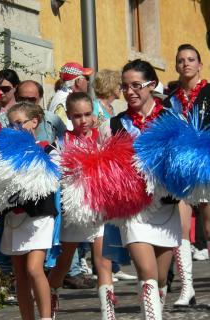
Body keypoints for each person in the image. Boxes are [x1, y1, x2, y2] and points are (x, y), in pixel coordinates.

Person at [111, 59, 182, 318]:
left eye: (136, 85)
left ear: (151, 85)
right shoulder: (117, 123)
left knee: (162, 278)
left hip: (166, 207)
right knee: (147, 273)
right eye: (125, 86)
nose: (130, 92)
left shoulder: (170, 118)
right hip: (134, 209)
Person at [47, 92, 112, 319]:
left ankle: (108, 313)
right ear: (69, 116)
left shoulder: (103, 137)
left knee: (103, 261)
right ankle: (51, 300)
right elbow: (55, 173)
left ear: (94, 114)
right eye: (77, 116)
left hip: (100, 208)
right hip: (74, 210)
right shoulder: (63, 142)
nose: (83, 120)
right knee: (63, 264)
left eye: (87, 114)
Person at [0, 101, 58, 320]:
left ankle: (45, 317)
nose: (16, 129)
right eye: (11, 125)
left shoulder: (47, 149)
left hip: (39, 217)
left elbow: (53, 179)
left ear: (34, 122)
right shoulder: (4, 155)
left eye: (20, 123)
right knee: (20, 275)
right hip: (14, 218)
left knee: (34, 268)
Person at [163, 43, 210, 308]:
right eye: (181, 60)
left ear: (200, 64)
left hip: (206, 164)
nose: (186, 64)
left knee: (208, 227)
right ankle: (187, 289)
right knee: (179, 231)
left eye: (191, 59)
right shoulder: (171, 99)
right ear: (176, 65)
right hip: (180, 169)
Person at [91, 70, 137, 283]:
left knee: (114, 220)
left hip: (115, 166)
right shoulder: (96, 108)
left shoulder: (111, 108)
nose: (123, 89)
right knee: (104, 223)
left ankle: (115, 263)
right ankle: (105, 266)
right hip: (103, 166)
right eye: (120, 85)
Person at [48, 62, 94, 130]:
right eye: (86, 78)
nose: (88, 82)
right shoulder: (65, 99)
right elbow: (68, 129)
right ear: (78, 81)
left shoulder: (62, 95)